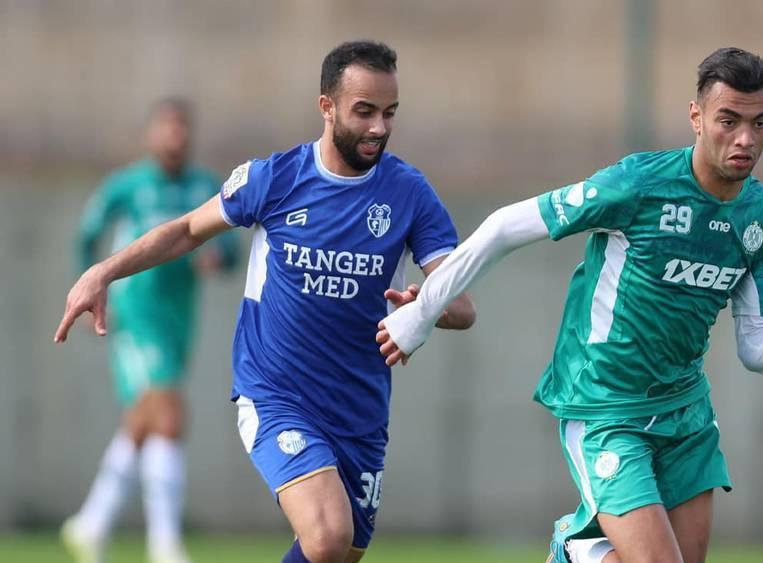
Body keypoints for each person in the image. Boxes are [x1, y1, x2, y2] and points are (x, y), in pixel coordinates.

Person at [376, 47, 763, 563]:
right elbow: (502, 228)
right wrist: (422, 313)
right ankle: (573, 549)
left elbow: (755, 345)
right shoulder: (637, 185)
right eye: (729, 120)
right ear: (696, 117)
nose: (746, 139)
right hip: (606, 406)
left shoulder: (761, 216)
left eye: (759, 123)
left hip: (686, 413)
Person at [55, 40, 475, 563]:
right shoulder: (273, 179)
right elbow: (187, 230)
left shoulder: (410, 193)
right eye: (364, 112)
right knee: (326, 536)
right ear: (327, 107)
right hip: (277, 394)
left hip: (361, 407)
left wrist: (424, 306)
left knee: (338, 552)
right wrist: (104, 271)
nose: (379, 128)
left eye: (389, 113)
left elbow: (462, 307)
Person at [61, 98, 238, 563]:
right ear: (151, 134)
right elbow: (87, 234)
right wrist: (90, 289)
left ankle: (91, 523)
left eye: (183, 129)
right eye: (167, 128)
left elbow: (233, 247)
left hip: (180, 317)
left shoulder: (204, 185)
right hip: (135, 314)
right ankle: (165, 544)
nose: (175, 137)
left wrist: (217, 258)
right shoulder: (127, 185)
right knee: (169, 412)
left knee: (145, 420)